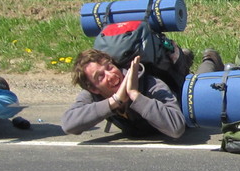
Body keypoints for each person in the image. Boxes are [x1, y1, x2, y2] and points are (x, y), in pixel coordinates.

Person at [60, 47, 221, 140]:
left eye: (109, 67)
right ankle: (186, 58)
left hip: (183, 97)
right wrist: (115, 101)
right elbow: (68, 125)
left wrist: (135, 95)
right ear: (94, 88)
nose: (111, 75)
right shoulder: (93, 95)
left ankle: (211, 59)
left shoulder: (150, 83)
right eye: (100, 76)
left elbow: (176, 127)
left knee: (199, 86)